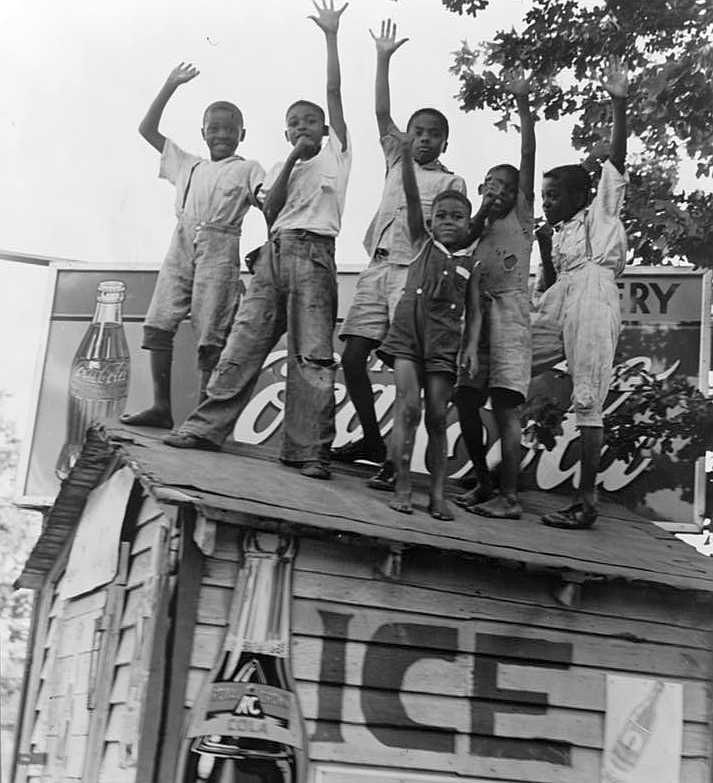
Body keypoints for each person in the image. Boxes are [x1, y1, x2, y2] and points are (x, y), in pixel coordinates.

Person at [164, 0, 351, 481]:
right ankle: (206, 428)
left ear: (326, 131)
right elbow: (269, 209)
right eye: (293, 123)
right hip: (273, 255)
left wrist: (330, 36)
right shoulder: (277, 167)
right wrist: (291, 157)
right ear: (285, 132)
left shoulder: (337, 156)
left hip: (313, 255)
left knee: (311, 354)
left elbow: (333, 93)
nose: (302, 127)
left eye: (310, 122)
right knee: (242, 344)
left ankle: (308, 450)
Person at [333, 18, 467, 486]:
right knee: (352, 357)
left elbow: (448, 234)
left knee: (402, 367)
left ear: (445, 142)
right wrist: (383, 58)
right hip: (378, 265)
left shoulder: (449, 182)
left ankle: (397, 458)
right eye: (418, 131)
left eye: (433, 134)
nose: (424, 139)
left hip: (415, 275)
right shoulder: (396, 158)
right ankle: (371, 437)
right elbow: (379, 112)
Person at [121, 63, 264, 430]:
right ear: (203, 132)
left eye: (229, 129)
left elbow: (269, 202)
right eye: (214, 128)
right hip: (182, 240)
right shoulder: (187, 163)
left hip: (221, 243)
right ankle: (161, 407)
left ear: (241, 134)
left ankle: (201, 418)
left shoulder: (248, 168)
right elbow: (146, 129)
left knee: (211, 331)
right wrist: (170, 84)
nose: (221, 134)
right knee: (158, 321)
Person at [531, 56, 629, 529]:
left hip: (593, 295)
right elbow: (549, 289)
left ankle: (585, 502)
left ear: (577, 196)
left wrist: (619, 103)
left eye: (553, 195)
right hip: (564, 295)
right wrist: (546, 248)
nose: (547, 202)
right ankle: (494, 476)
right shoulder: (558, 232)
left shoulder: (600, 215)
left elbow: (617, 162)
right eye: (544, 196)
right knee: (507, 357)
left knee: (588, 399)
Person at [377, 135, 481, 521]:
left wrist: (470, 347)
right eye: (442, 216)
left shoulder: (471, 264)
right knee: (407, 410)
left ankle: (437, 494)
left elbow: (475, 312)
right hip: (408, 336)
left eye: (457, 217)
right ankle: (402, 485)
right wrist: (405, 157)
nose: (449, 222)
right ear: (431, 221)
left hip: (443, 345)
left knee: (437, 416)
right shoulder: (421, 243)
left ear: (468, 223)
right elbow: (410, 193)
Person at [453, 68, 536, 520]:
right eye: (489, 183)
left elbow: (526, 155)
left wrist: (523, 106)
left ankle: (509, 496)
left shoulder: (522, 217)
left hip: (509, 317)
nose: (496, 190)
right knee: (466, 399)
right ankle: (484, 482)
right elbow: (459, 238)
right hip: (477, 317)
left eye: (503, 186)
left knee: (505, 405)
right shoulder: (479, 228)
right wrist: (482, 207)